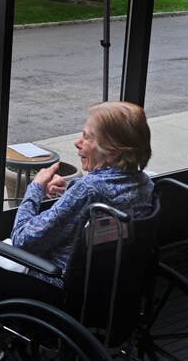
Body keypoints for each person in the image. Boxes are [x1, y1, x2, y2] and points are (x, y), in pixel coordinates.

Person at [10, 101, 154, 287]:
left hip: (57, 287)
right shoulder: (145, 183)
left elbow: (22, 241)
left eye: (86, 137)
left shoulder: (88, 190)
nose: (77, 142)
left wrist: (35, 188)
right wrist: (69, 193)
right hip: (111, 285)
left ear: (111, 149)